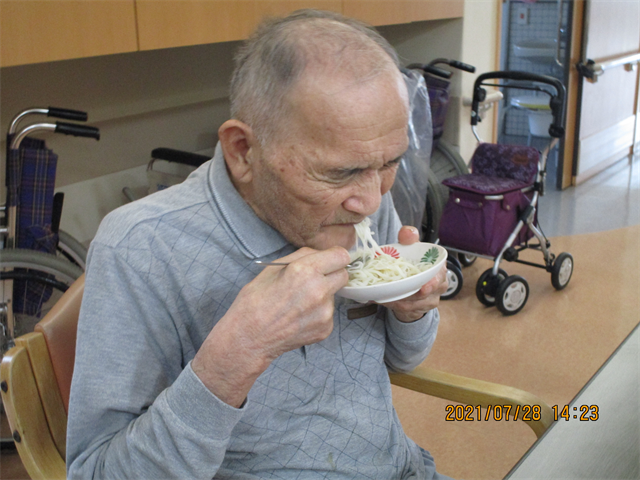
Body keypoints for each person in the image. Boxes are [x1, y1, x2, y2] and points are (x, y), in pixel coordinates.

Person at [67, 9, 450, 480]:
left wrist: (411, 310)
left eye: (389, 162)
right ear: (243, 151)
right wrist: (236, 355)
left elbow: (402, 359)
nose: (372, 199)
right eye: (339, 172)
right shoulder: (140, 249)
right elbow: (94, 473)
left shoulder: (363, 198)